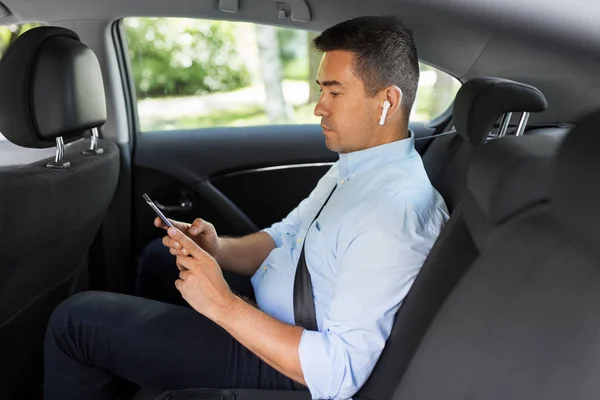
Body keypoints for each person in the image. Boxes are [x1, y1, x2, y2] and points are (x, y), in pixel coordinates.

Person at [44, 16, 449, 400]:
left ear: (388, 102)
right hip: (271, 313)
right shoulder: (356, 166)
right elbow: (286, 236)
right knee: (157, 260)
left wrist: (222, 304)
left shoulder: (392, 214)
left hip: (289, 363)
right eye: (320, 89)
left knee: (76, 322)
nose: (318, 107)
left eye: (335, 91)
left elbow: (338, 370)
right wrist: (217, 249)